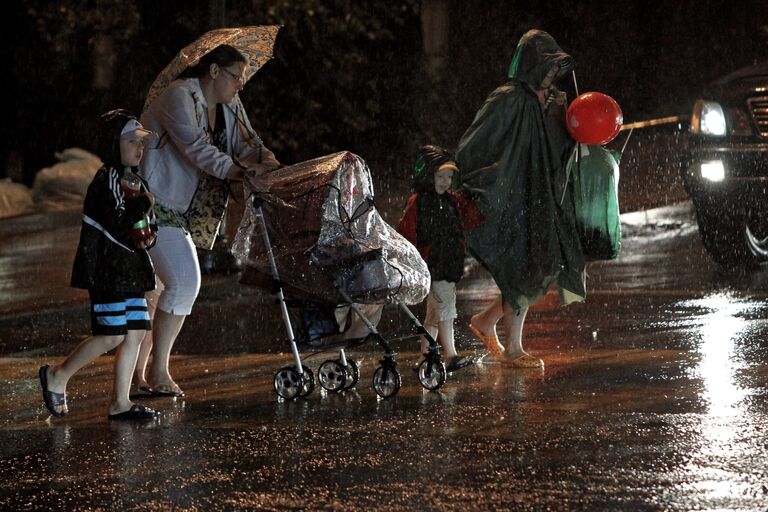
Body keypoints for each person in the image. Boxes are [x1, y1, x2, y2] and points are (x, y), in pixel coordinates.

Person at [133, 44, 281, 397]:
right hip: (153, 201)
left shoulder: (229, 105)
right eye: (236, 77)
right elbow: (197, 148)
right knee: (184, 281)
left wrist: (267, 162)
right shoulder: (178, 96)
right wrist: (241, 171)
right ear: (214, 71)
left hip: (182, 207)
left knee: (154, 293)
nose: (240, 86)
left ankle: (136, 379)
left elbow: (248, 143)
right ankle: (158, 370)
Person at [456, 29, 586, 369]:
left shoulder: (554, 102)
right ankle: (512, 346)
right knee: (522, 266)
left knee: (538, 265)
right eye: (546, 66)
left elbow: (559, 145)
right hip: (511, 195)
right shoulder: (508, 99)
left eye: (554, 68)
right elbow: (477, 143)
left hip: (539, 195)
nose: (551, 75)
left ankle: (489, 322)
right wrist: (478, 180)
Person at [38, 110, 160, 421]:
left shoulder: (135, 179)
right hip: (108, 270)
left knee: (133, 331)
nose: (139, 148)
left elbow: (143, 228)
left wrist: (149, 236)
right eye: (132, 141)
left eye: (141, 142)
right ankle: (57, 375)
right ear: (112, 144)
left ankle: (121, 402)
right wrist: (144, 204)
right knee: (110, 334)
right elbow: (118, 222)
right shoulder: (107, 178)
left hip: (130, 268)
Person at [396, 145, 483, 372]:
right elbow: (406, 231)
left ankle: (425, 357)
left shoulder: (451, 200)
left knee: (435, 315)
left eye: (449, 177)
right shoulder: (420, 202)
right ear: (428, 176)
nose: (446, 181)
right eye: (440, 176)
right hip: (435, 264)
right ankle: (451, 355)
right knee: (445, 310)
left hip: (448, 265)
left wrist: (474, 198)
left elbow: (470, 218)